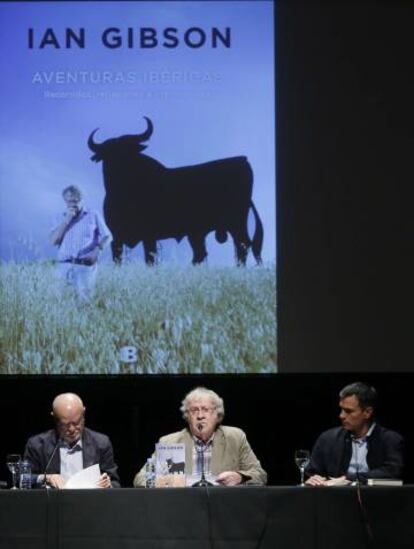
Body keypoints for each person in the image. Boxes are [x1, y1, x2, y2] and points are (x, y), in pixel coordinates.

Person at [133, 387, 267, 486]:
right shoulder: (170, 442)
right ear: (187, 416)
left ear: (217, 414)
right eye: (194, 410)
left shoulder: (235, 438)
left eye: (205, 409)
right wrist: (167, 481)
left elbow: (260, 475)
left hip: (224, 509)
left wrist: (240, 477)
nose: (200, 416)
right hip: (182, 509)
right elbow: (140, 479)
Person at [305, 382, 404, 486]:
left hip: (377, 498)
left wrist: (350, 478)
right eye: (341, 409)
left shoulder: (390, 439)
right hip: (335, 498)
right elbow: (312, 471)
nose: (341, 415)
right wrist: (313, 479)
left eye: (348, 411)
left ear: (367, 412)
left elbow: (392, 472)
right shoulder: (328, 438)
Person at [24, 392, 120, 488]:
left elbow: (115, 483)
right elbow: (24, 478)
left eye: (77, 423)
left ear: (83, 413)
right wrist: (46, 478)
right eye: (65, 425)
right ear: (55, 419)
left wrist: (108, 484)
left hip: (90, 501)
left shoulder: (101, 443)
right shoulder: (37, 445)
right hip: (52, 501)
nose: (72, 429)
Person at [50, 185, 111, 301]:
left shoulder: (93, 215)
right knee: (60, 304)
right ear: (65, 201)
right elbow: (53, 241)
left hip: (85, 267)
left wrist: (97, 251)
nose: (73, 203)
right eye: (70, 201)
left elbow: (107, 236)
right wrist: (67, 220)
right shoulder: (59, 217)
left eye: (76, 200)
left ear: (82, 199)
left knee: (84, 304)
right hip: (63, 266)